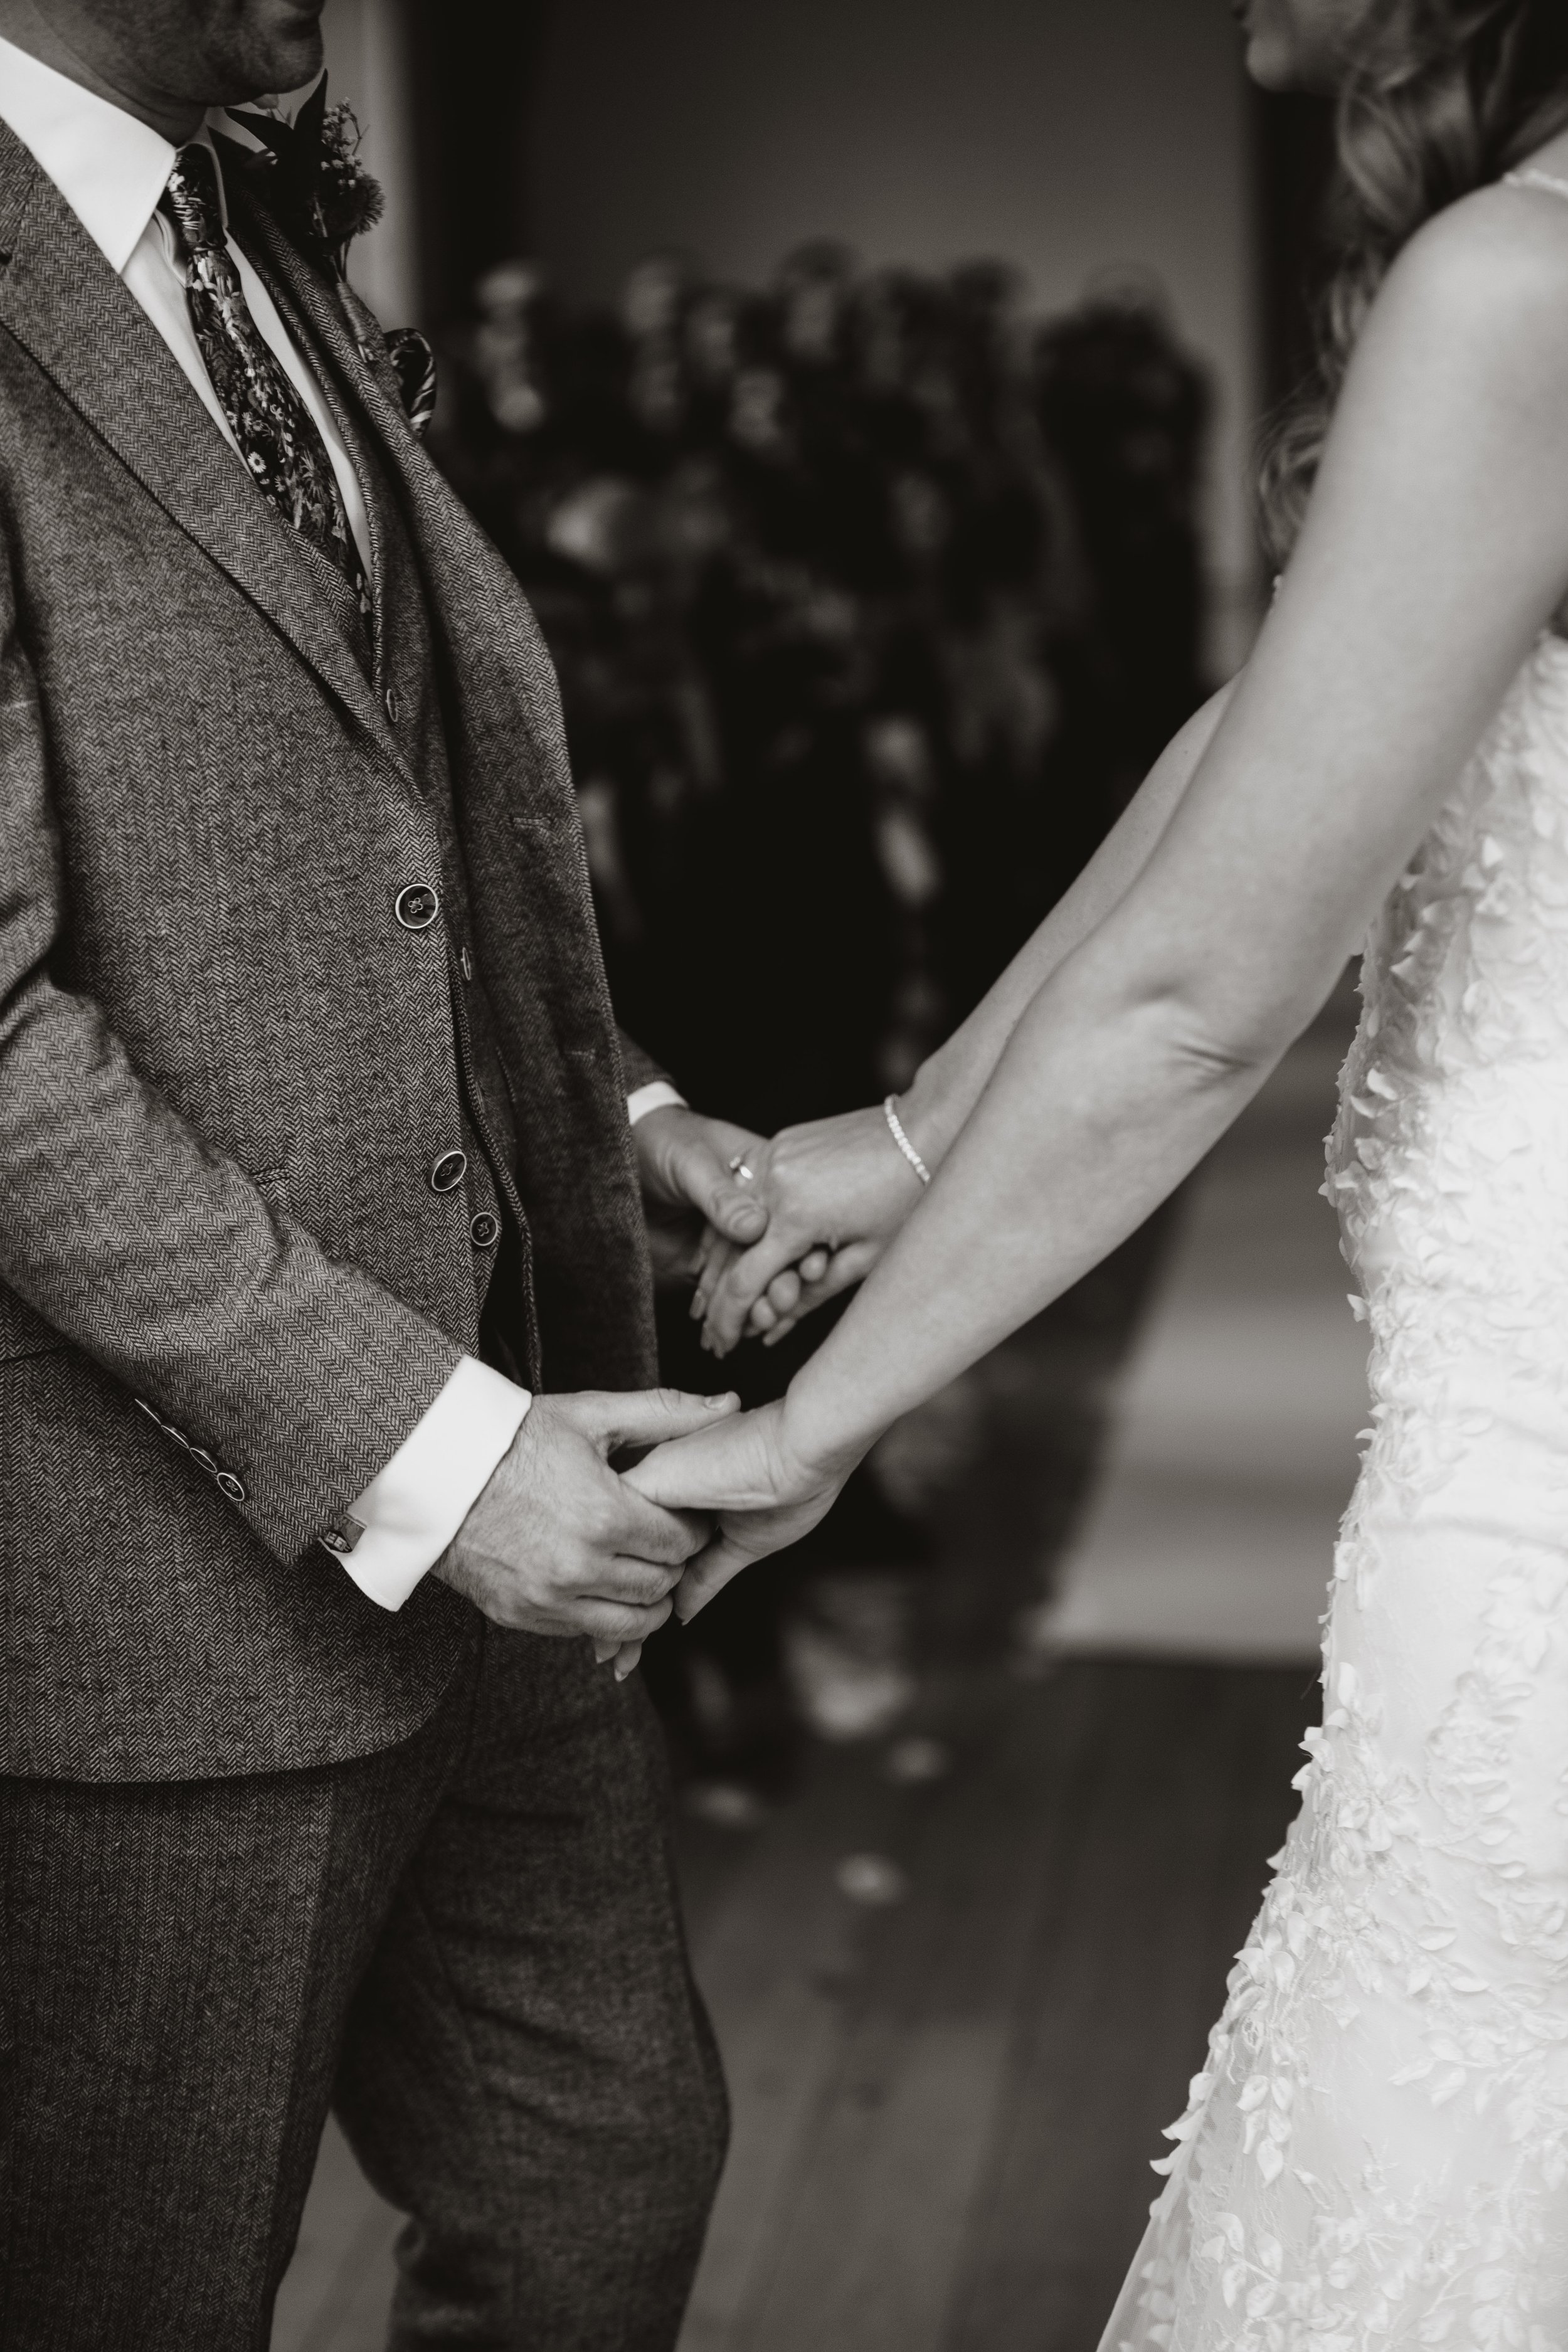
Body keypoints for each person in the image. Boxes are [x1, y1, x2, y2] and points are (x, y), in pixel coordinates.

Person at [630, 0, 1568, 2338]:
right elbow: (1284, 728)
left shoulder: (1519, 286)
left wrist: (819, 1426)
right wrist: (912, 1135)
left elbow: (1194, 1005)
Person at [0, 0, 781, 2343]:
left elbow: (387, 832)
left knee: (600, 2180)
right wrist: (434, 1465)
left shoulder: (243, 224)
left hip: (495, 1494)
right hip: (158, 1590)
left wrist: (620, 1123)